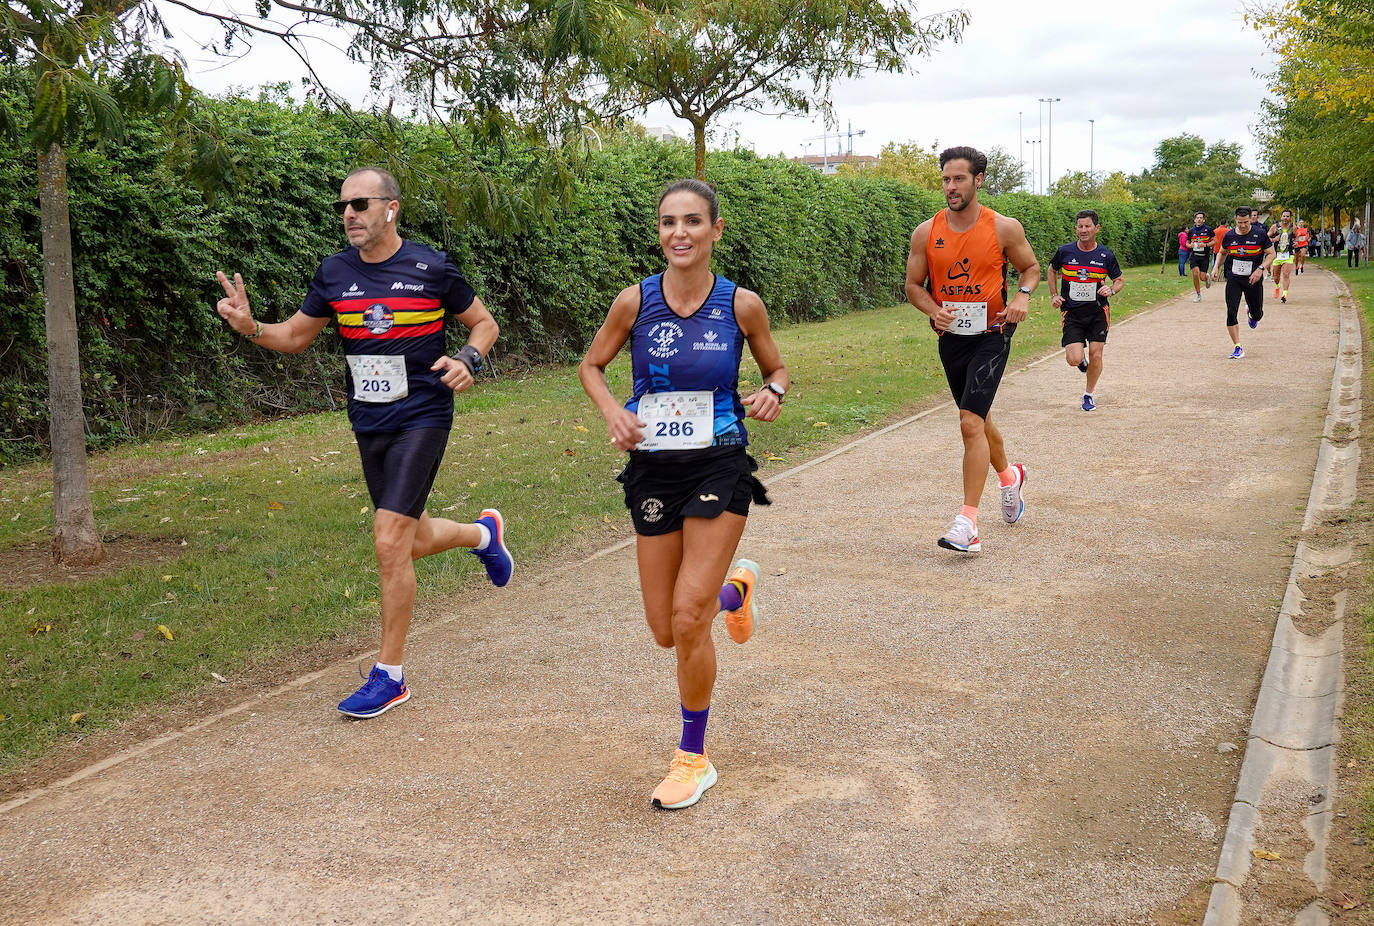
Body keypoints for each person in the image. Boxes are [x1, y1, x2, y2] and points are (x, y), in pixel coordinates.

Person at [214, 166, 513, 719]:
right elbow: (297, 337)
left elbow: (484, 323)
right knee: (408, 538)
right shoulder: (334, 273)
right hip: (368, 420)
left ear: (390, 208)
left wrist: (469, 360)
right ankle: (481, 534)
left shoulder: (430, 268)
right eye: (343, 206)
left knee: (386, 539)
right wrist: (251, 327)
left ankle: (390, 675)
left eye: (360, 204)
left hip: (423, 413)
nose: (349, 214)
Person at [578, 178, 788, 810]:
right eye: (669, 222)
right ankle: (736, 590)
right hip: (652, 470)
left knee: (689, 617)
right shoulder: (634, 303)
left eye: (693, 222)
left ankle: (693, 757)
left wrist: (773, 390)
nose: (680, 234)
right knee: (666, 629)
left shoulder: (741, 305)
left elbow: (776, 366)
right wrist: (613, 410)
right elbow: (591, 366)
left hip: (719, 465)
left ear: (716, 230)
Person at [904, 146, 1038, 554]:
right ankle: (1009, 477)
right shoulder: (927, 232)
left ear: (978, 180)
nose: (950, 187)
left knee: (968, 421)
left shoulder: (1003, 227)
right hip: (952, 338)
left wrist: (1023, 297)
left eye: (959, 178)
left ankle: (968, 524)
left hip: (994, 332)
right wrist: (933, 309)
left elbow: (1030, 268)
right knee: (979, 420)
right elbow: (913, 286)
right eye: (946, 179)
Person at [1050, 210, 1124, 412]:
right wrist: (1054, 294)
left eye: (1087, 226)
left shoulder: (1106, 255)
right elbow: (1051, 269)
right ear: (1076, 229)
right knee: (1073, 359)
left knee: (1097, 355)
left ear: (1096, 228)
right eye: (1080, 226)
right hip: (1072, 313)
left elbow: (1119, 280)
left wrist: (1112, 290)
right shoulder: (1065, 251)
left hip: (1098, 312)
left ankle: (1088, 395)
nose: (1083, 230)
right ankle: (1081, 360)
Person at [1211, 205, 1276, 359]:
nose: (1243, 225)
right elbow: (1222, 252)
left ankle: (1252, 314)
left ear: (1251, 220)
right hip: (1234, 277)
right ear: (1235, 220)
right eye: (1240, 222)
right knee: (1231, 311)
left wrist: (1260, 269)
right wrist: (1215, 267)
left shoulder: (1259, 234)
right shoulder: (1229, 236)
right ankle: (1237, 347)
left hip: (1253, 278)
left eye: (1246, 222)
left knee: (1257, 314)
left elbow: (1271, 254)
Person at [1269, 209, 1297, 302]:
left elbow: (1296, 237)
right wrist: (1274, 240)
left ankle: (1284, 294)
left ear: (1290, 218)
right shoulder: (1275, 227)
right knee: (1276, 276)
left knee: (1286, 274)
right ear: (1281, 217)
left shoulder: (1293, 227)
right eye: (1284, 216)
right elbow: (1266, 238)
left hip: (1288, 254)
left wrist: (1296, 243)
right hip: (1277, 255)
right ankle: (1277, 286)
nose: (1285, 218)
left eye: (1287, 216)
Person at [1185, 212, 1213, 301]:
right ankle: (1198, 295)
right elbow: (1187, 243)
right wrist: (1190, 245)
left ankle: (1206, 277)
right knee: (1195, 273)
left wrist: (1206, 245)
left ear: (1204, 220)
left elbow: (1215, 241)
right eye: (1197, 218)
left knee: (1202, 277)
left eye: (1201, 218)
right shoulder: (1191, 231)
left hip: (1204, 256)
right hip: (1194, 256)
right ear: (1195, 220)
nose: (1199, 219)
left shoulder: (1208, 229)